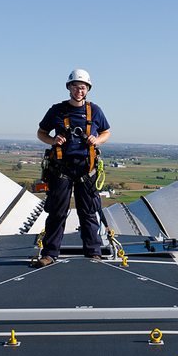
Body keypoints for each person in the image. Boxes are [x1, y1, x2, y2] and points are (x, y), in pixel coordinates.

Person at [35, 69, 110, 267]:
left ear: (88, 90)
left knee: (88, 211)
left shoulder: (95, 111)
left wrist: (97, 140)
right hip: (61, 168)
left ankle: (94, 252)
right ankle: (49, 254)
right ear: (69, 87)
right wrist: (53, 139)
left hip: (86, 168)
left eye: (83, 87)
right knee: (57, 212)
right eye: (75, 87)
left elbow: (106, 132)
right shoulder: (56, 111)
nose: (79, 90)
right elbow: (41, 133)